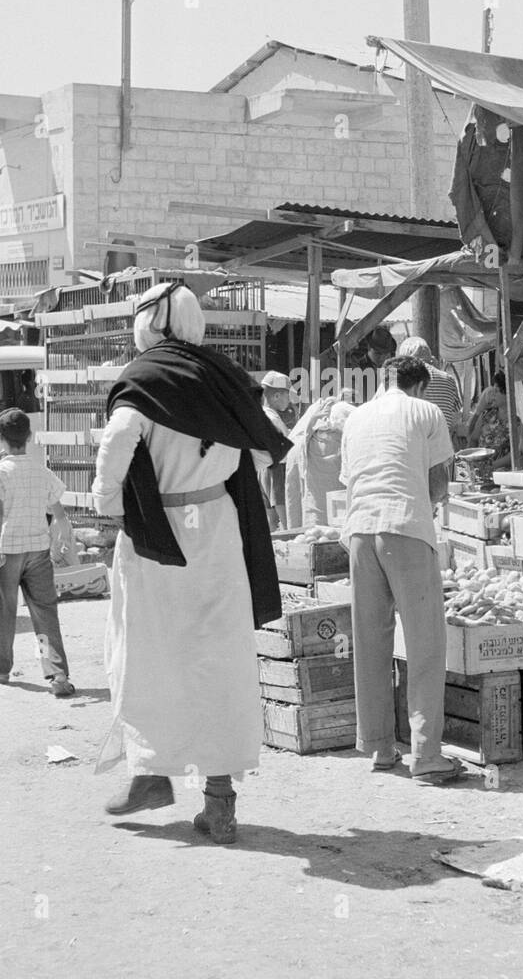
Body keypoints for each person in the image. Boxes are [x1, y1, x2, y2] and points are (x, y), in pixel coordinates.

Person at [92, 280, 292, 844]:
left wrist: (108, 505)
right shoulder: (225, 378)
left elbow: (117, 444)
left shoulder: (144, 379)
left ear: (149, 321)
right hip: (220, 533)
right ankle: (220, 803)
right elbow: (264, 444)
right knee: (219, 660)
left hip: (160, 539)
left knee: (147, 652)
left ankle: (151, 774)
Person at [340, 355, 463, 783]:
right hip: (406, 527)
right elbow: (439, 483)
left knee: (370, 643)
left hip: (359, 532)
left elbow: (351, 480)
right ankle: (427, 755)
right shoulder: (426, 411)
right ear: (419, 386)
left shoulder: (355, 418)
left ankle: (378, 748)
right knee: (425, 644)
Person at [0, 408, 76, 696]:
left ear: (0, 438)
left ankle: (0, 669)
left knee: (4, 611)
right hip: (38, 550)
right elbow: (58, 513)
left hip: (8, 551)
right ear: (30, 437)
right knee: (44, 613)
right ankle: (57, 675)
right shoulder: (41, 470)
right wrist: (62, 538)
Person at [285, 391, 355, 527]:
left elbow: (292, 499)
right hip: (339, 518)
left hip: (312, 517)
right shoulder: (340, 440)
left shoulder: (302, 443)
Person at [396, 336, 464, 441]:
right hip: (441, 447)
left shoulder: (400, 379)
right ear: (430, 358)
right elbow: (455, 415)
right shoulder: (448, 379)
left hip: (411, 446)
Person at [259, 371, 295, 530]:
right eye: (287, 396)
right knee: (287, 526)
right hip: (277, 471)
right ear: (276, 396)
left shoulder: (261, 414)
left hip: (262, 471)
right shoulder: (273, 419)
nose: (290, 400)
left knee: (272, 524)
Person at [465, 372, 512, 468]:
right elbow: (474, 440)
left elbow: (515, 454)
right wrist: (470, 461)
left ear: (507, 394)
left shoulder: (516, 420)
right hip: (481, 470)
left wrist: (491, 466)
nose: (492, 395)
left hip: (502, 472)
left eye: (496, 391)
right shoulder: (487, 416)